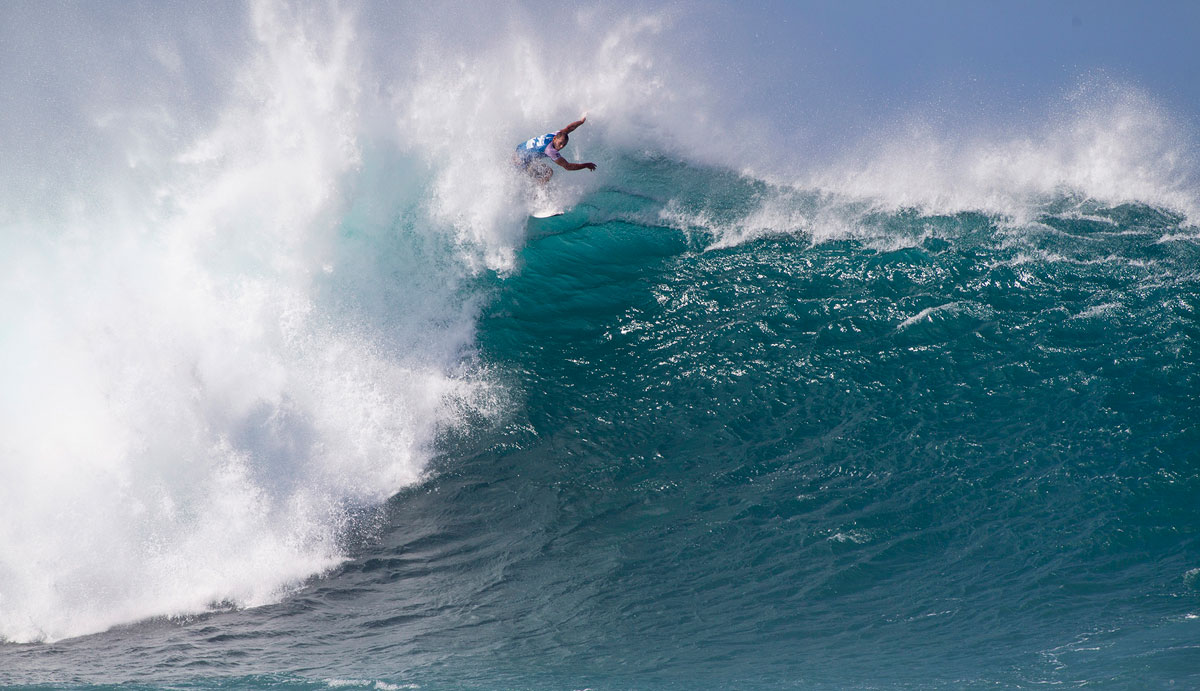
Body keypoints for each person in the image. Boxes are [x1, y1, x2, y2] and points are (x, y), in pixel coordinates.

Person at [513, 116, 597, 184]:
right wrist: (586, 165)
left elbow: (569, 128)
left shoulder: (556, 135)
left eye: (564, 144)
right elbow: (567, 166)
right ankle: (536, 195)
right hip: (521, 161)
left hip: (519, 149)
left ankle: (536, 187)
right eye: (560, 143)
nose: (561, 146)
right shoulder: (550, 150)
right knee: (548, 172)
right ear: (554, 139)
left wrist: (581, 122)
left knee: (544, 172)